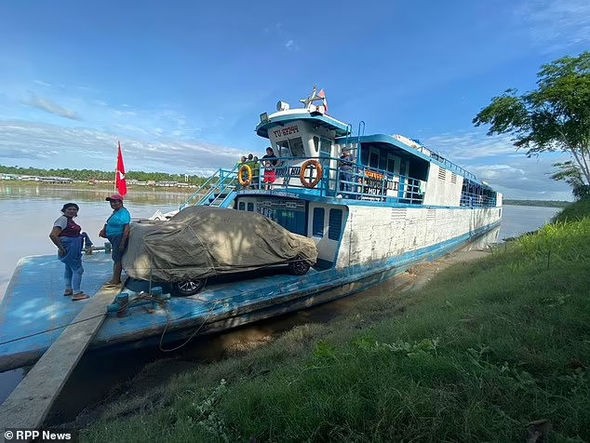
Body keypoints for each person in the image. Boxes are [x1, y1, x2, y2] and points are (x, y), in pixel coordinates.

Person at [49, 203, 89, 300]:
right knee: (78, 270)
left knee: (68, 268)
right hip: (70, 248)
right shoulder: (62, 220)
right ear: (64, 210)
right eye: (69, 209)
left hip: (71, 247)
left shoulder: (68, 220)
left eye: (74, 209)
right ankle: (77, 293)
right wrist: (61, 248)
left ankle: (68, 289)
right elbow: (53, 235)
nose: (72, 211)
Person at [99, 193, 131, 286]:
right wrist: (104, 230)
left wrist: (122, 242)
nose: (113, 204)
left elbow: (126, 228)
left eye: (115, 202)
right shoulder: (116, 212)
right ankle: (116, 278)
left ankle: (116, 279)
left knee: (117, 259)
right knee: (116, 258)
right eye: (111, 202)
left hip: (119, 237)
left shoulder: (124, 213)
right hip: (113, 238)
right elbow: (108, 222)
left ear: (120, 202)